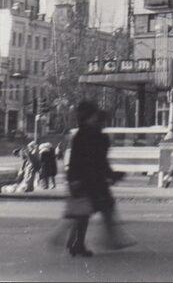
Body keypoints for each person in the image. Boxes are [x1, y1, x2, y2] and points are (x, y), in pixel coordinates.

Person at [65, 101, 117, 257]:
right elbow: (98, 160)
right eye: (94, 114)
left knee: (83, 212)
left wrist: (72, 179)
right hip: (88, 180)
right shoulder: (91, 135)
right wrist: (110, 174)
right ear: (90, 116)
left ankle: (76, 242)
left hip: (83, 179)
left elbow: (76, 160)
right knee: (88, 211)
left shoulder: (82, 134)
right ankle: (76, 242)